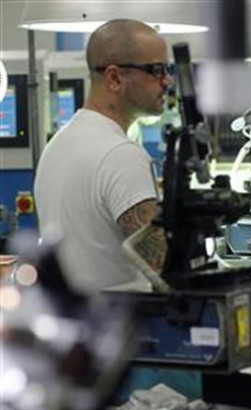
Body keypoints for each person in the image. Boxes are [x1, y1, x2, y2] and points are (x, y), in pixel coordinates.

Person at [35, 19, 171, 293]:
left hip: (80, 320)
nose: (166, 81)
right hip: (129, 325)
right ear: (114, 78)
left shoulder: (57, 145)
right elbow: (166, 268)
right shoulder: (121, 155)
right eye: (156, 70)